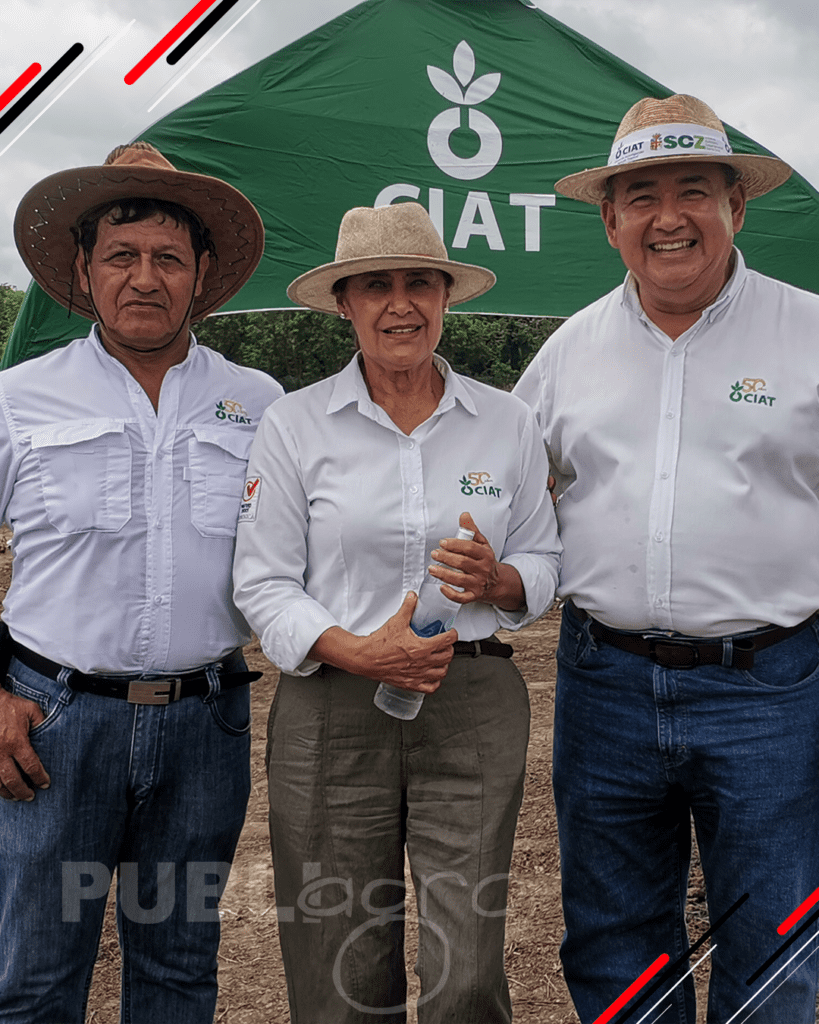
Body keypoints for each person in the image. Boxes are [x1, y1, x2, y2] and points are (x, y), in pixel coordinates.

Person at [514, 93, 819, 1023]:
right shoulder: (567, 354)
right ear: (609, 221)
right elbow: (501, 496)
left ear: (737, 206)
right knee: (614, 942)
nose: (668, 217)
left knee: (775, 946)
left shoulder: (809, 333)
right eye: (641, 196)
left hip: (771, 689)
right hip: (602, 683)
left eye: (693, 190)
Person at [233, 201, 560, 1023]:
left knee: (466, 972)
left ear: (446, 297)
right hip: (331, 705)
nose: (400, 303)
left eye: (420, 282)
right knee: (337, 958)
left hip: (471, 700)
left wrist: (498, 580)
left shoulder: (507, 421)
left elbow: (545, 560)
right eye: (375, 285)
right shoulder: (294, 424)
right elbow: (263, 582)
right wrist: (357, 651)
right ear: (343, 303)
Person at [0, 142, 284, 1023]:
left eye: (168, 257)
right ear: (83, 272)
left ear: (202, 274)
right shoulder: (17, 398)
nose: (145, 278)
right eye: (121, 255)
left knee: (178, 971)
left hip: (207, 725)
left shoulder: (260, 402)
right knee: (33, 979)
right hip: (53, 723)